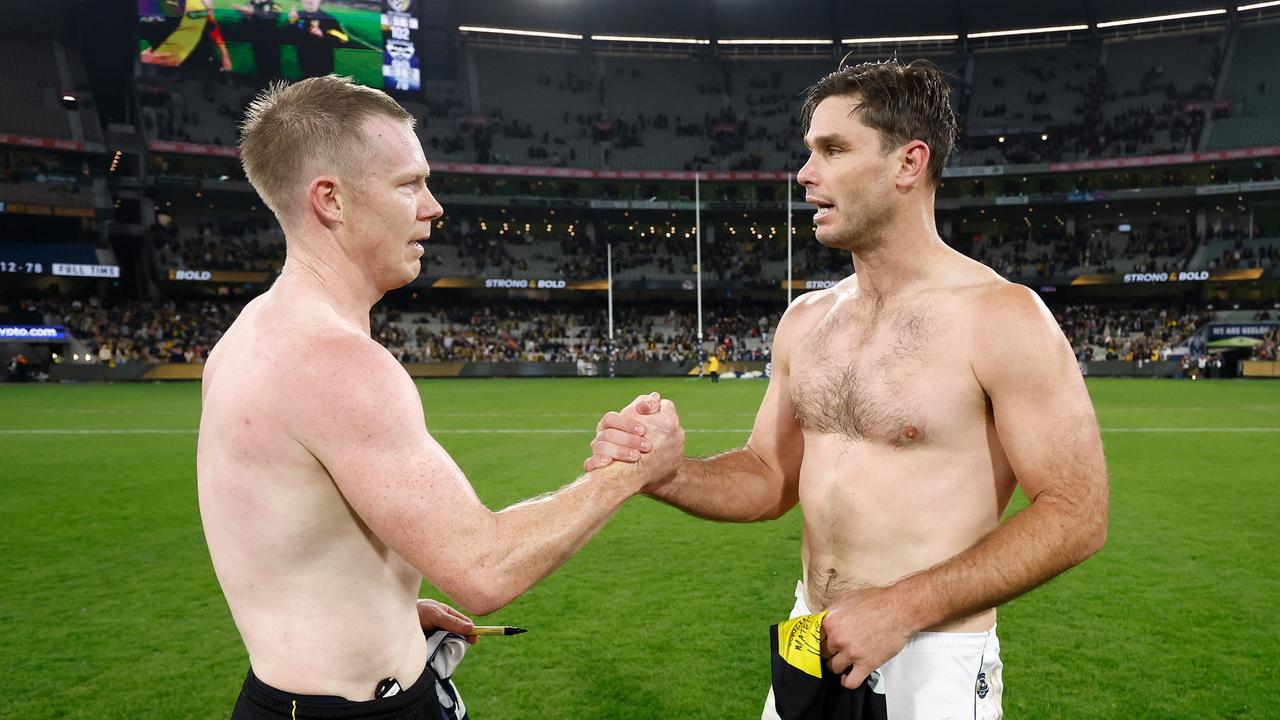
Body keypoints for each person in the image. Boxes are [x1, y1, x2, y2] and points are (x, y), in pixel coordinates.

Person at [586, 59, 1109, 719]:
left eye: (833, 150)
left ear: (908, 163)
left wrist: (903, 606)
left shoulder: (1002, 318)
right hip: (812, 638)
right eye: (810, 152)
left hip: (931, 658)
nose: (805, 174)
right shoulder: (807, 320)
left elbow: (1076, 514)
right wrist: (667, 474)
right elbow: (769, 477)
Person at [197, 75, 684, 719]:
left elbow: (283, 541)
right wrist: (629, 473)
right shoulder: (334, 363)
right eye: (409, 183)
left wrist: (386, 607)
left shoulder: (249, 335)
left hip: (293, 697)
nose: (433, 207)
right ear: (331, 200)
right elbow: (482, 569)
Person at [284, 0, 350, 78]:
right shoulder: (296, 17)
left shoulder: (329, 19)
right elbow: (286, 39)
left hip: (324, 65)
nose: (309, 1)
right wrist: (291, 23)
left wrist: (323, 34)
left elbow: (344, 40)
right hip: (304, 65)